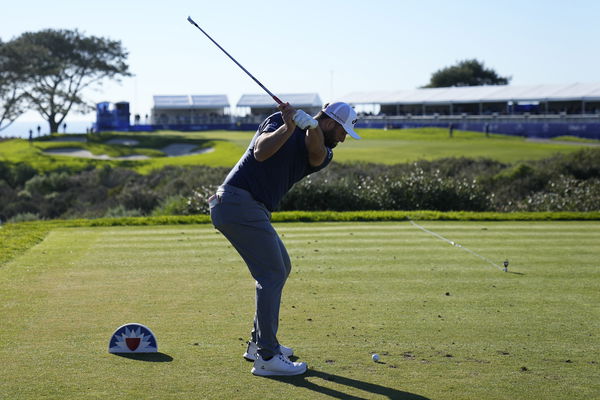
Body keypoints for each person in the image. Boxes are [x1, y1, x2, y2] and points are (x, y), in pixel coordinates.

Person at [209, 101, 360, 376]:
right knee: (272, 274)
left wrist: (311, 127)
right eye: (342, 130)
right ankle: (267, 356)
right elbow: (260, 152)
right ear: (329, 122)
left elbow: (315, 153)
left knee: (281, 267)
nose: (343, 137)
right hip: (236, 203)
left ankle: (258, 344)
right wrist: (289, 125)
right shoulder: (279, 122)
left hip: (250, 208)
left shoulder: (324, 151)